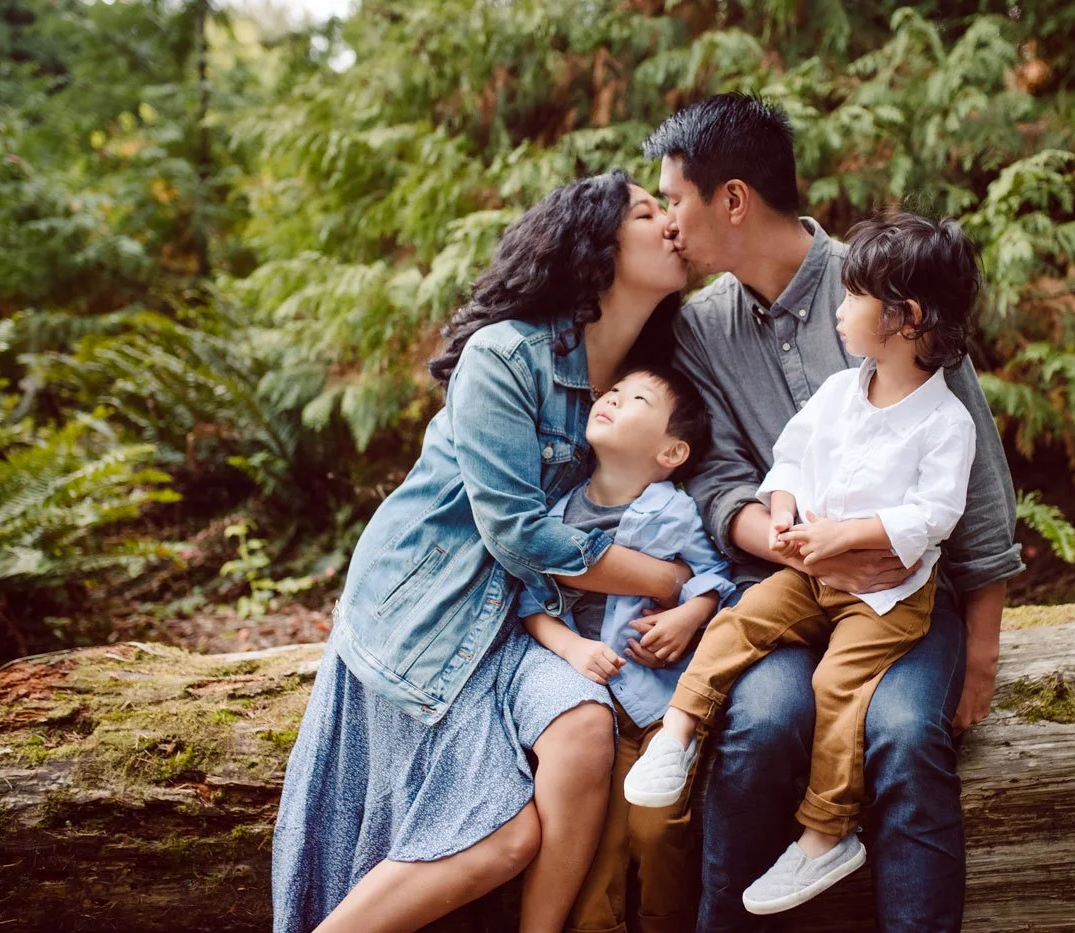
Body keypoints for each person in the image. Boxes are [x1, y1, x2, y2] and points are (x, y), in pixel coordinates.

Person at [271, 170, 700, 933]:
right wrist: (665, 578)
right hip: (430, 607)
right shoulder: (507, 354)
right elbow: (519, 533)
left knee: (583, 728)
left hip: (525, 618)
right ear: (594, 246)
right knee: (505, 836)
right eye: (647, 210)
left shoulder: (648, 378)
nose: (671, 222)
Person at [647, 93, 1025, 932]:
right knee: (764, 724)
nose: (669, 220)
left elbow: (980, 488)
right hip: (788, 586)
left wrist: (984, 653)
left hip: (902, 598)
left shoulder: (887, 286)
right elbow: (717, 478)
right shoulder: (704, 327)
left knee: (899, 734)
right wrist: (795, 546)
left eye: (676, 198)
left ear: (732, 199)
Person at [516, 363, 735, 933]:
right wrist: (571, 650)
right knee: (599, 842)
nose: (611, 398)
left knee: (657, 828)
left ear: (671, 452)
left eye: (636, 398)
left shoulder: (675, 510)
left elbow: (716, 580)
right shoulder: (556, 515)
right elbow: (530, 605)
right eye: (612, 391)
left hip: (661, 703)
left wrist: (690, 615)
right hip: (587, 707)